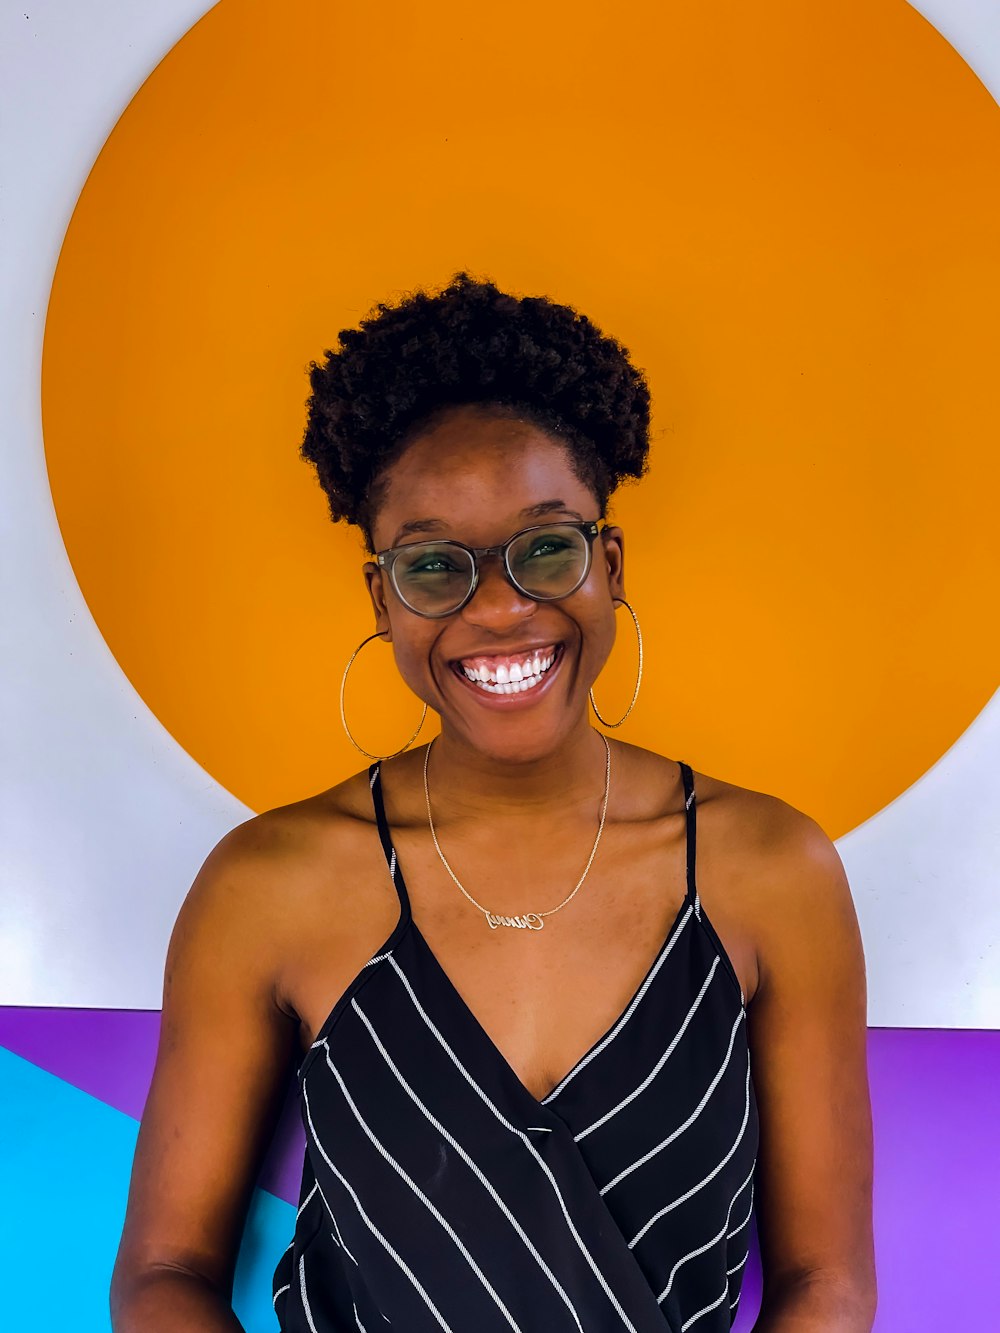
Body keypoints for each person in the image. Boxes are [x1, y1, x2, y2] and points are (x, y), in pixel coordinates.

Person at [110, 272, 876, 1332]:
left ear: (608, 563)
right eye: (435, 566)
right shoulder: (267, 887)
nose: (503, 607)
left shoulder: (771, 872)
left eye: (546, 547)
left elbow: (824, 1283)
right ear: (382, 597)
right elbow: (164, 1275)